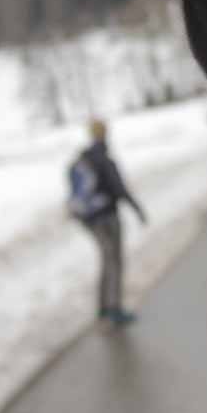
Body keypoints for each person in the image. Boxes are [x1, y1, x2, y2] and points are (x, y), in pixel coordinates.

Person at [68, 118, 147, 324]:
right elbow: (119, 189)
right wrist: (137, 209)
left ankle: (103, 308)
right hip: (108, 218)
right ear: (104, 134)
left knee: (105, 260)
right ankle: (115, 309)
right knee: (115, 262)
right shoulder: (104, 159)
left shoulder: (82, 159)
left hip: (90, 220)